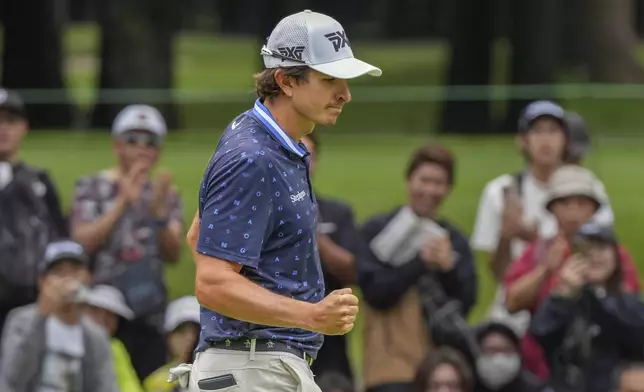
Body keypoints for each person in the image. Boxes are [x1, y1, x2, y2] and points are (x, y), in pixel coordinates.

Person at [186, 9, 381, 392]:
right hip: (250, 368)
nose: (345, 93)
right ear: (285, 81)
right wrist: (311, 315)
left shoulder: (271, 143)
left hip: (258, 365)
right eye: (329, 80)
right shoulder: (253, 156)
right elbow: (212, 283)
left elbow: (198, 235)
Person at [470, 101, 614, 343]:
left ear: (566, 140)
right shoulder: (501, 192)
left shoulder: (591, 190)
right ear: (522, 140)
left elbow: (601, 256)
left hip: (575, 301)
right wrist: (506, 236)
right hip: (517, 303)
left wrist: (532, 239)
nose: (546, 140)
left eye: (553, 131)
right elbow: (498, 274)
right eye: (537, 131)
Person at [70, 104, 184, 381]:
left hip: (149, 311)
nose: (142, 148)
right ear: (116, 145)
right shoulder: (91, 187)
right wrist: (123, 203)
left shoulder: (165, 193)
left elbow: (173, 254)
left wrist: (158, 215)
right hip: (100, 310)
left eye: (151, 141)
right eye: (132, 139)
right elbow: (80, 242)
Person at [358, 144, 477, 392]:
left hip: (440, 368)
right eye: (424, 180)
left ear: (448, 189)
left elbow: (466, 303)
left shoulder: (453, 239)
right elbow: (376, 294)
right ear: (409, 180)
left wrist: (448, 270)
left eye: (439, 183)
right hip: (388, 364)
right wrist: (421, 263)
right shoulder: (377, 229)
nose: (430, 190)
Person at [505, 165, 640, 380]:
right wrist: (546, 271)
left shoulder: (614, 255)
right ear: (552, 209)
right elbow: (512, 303)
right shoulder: (539, 252)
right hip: (544, 368)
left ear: (593, 209)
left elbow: (631, 313)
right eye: (565, 204)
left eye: (582, 204)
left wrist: (595, 286)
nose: (574, 213)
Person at [530, 223, 644, 392]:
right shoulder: (562, 300)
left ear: (616, 257)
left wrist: (592, 293)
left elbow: (634, 335)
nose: (594, 256)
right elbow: (540, 332)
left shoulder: (629, 303)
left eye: (602, 249)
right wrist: (563, 296)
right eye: (586, 250)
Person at [0, 240, 118, 392]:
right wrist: (41, 317)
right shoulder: (21, 320)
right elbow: (12, 379)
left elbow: (105, 386)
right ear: (43, 282)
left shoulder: (95, 335)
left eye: (75, 271)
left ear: (88, 278)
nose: (68, 279)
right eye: (59, 272)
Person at [0, 87, 67, 336]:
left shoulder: (40, 183)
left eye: (10, 121)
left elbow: (59, 237)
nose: (3, 128)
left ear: (24, 127)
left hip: (30, 302)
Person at [301, 134, 359, 384]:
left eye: (307, 156)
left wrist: (315, 233)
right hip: (280, 331)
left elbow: (352, 272)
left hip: (330, 338)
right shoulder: (263, 212)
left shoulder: (337, 212)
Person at [84, 284, 143, 392]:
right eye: (95, 311)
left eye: (110, 315)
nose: (102, 319)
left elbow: (128, 383)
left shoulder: (116, 346)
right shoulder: (69, 339)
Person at [145, 296, 200, 392]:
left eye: (197, 332)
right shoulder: (157, 383)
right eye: (182, 332)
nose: (190, 338)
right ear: (168, 338)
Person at [473, 322, 547, 392]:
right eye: (491, 351)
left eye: (506, 351)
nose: (498, 359)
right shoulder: (467, 386)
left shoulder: (536, 389)